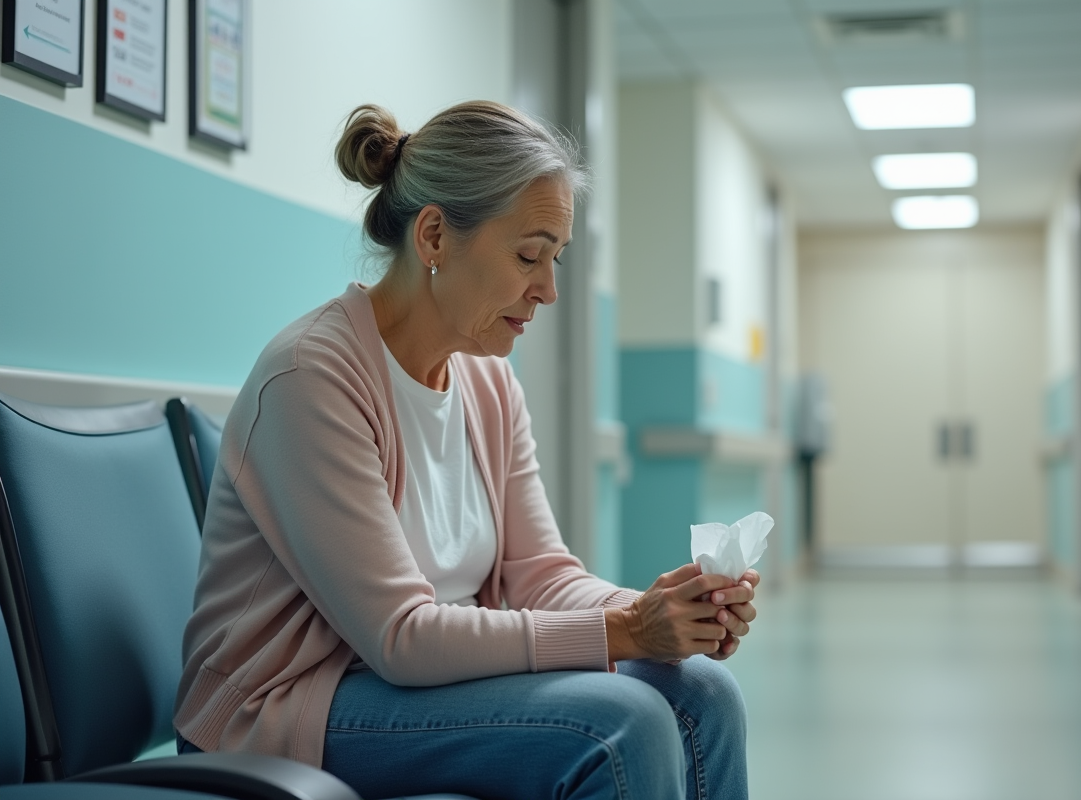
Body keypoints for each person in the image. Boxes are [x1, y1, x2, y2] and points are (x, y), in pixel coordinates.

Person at [174, 100, 758, 800]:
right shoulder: (312, 378)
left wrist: (667, 611)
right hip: (287, 705)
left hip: (416, 683)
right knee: (623, 725)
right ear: (433, 237)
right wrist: (628, 630)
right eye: (528, 256)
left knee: (704, 691)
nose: (548, 290)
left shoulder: (488, 381)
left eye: (556, 259)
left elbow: (540, 575)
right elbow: (401, 638)